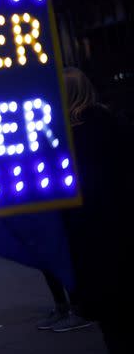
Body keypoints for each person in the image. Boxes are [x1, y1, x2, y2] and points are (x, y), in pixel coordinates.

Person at [59, 67, 134, 353]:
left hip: (95, 242)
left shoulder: (68, 140)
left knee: (115, 327)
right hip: (126, 229)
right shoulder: (117, 124)